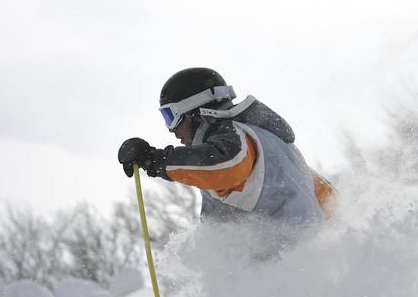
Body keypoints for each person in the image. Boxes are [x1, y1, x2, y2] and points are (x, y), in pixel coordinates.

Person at [117, 67, 336, 232]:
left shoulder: (234, 137)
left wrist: (155, 159)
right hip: (299, 270)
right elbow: (327, 197)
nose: (171, 130)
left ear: (194, 111)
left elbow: (225, 164)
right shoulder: (275, 148)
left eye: (171, 118)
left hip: (282, 268)